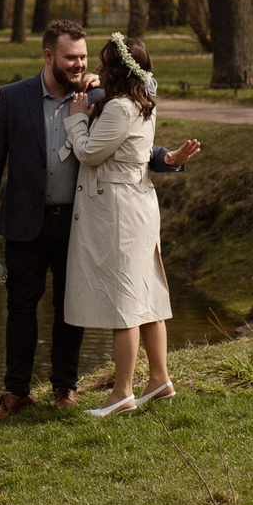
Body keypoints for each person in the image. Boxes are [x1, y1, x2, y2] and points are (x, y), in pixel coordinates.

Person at [0, 21, 200, 421]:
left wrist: (168, 160)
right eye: (70, 57)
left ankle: (65, 389)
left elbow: (133, 144)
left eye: (82, 57)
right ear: (48, 56)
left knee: (68, 307)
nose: (79, 64)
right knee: (21, 308)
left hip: (80, 221)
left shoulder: (100, 95)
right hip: (26, 220)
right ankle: (15, 393)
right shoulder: (13, 98)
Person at [65, 33, 190, 417]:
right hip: (137, 204)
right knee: (147, 295)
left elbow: (89, 152)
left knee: (124, 301)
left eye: (104, 63)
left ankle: (121, 392)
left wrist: (75, 120)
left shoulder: (120, 108)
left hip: (118, 209)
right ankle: (159, 379)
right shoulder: (140, 102)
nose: (97, 68)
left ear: (119, 69)